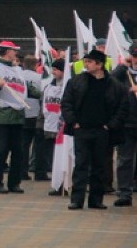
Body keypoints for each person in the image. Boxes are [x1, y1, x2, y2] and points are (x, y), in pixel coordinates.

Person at [62, 49, 128, 210]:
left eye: (90, 62)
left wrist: (110, 125)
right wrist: (73, 122)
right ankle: (77, 199)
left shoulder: (114, 85)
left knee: (100, 166)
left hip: (102, 131)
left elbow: (122, 107)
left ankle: (96, 200)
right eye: (86, 61)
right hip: (82, 129)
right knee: (81, 165)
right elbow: (66, 103)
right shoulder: (77, 81)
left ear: (99, 65)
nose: (86, 64)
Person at [0, 40, 40, 194]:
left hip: (18, 116)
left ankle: (14, 183)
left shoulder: (18, 70)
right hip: (1, 117)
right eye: (14, 50)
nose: (16, 53)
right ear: (7, 51)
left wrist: (44, 96)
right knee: (0, 150)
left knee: (18, 151)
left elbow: (27, 89)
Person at [109, 44, 137, 207]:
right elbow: (110, 81)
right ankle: (124, 192)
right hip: (127, 123)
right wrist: (122, 66)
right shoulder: (124, 74)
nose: (136, 59)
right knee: (125, 159)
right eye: (134, 56)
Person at [41, 58, 66, 192]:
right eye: (53, 69)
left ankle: (65, 182)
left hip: (63, 127)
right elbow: (44, 104)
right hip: (50, 125)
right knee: (53, 156)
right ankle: (56, 183)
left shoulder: (68, 86)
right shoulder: (49, 87)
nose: (53, 72)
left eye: (56, 69)